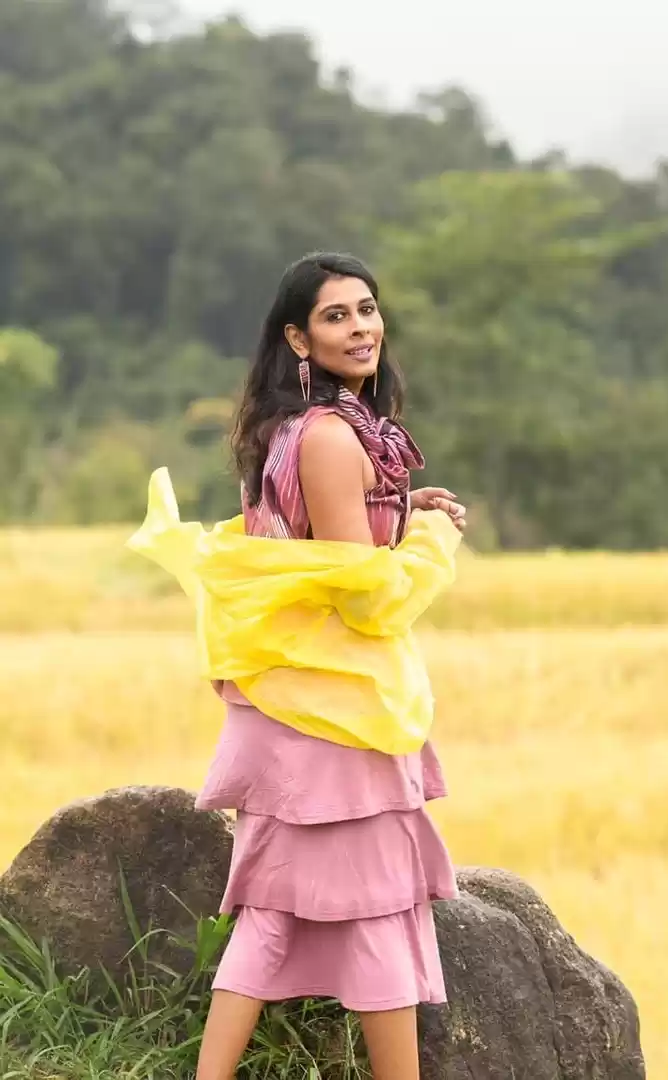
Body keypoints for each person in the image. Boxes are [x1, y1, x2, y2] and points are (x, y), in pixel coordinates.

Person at [193, 252, 466, 1080]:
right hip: (338, 713)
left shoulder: (300, 429)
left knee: (271, 914)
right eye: (337, 316)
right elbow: (367, 598)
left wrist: (397, 505)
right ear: (298, 337)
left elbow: (320, 540)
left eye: (368, 310)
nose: (361, 328)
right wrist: (434, 539)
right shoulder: (331, 436)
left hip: (293, 703)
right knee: (378, 911)